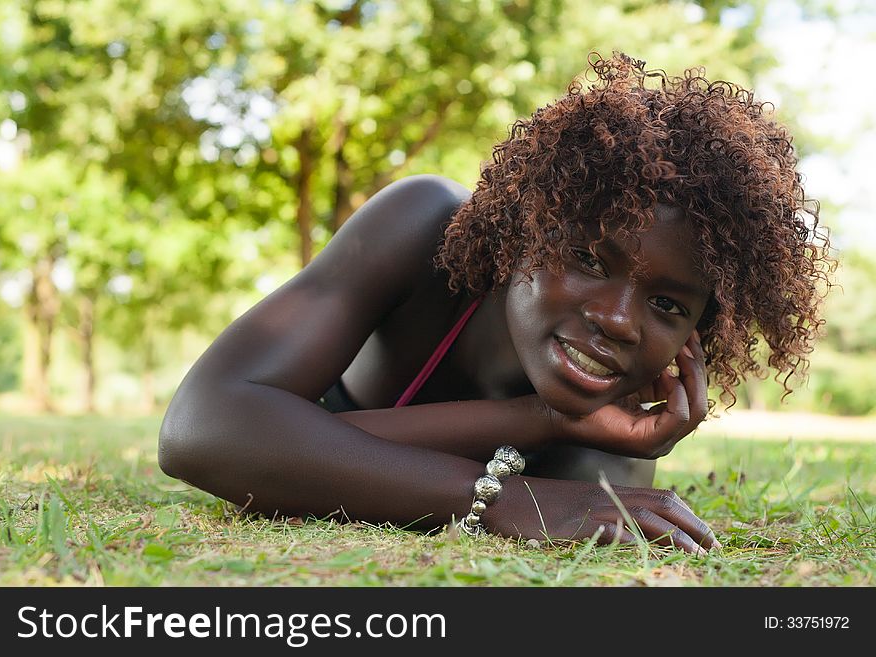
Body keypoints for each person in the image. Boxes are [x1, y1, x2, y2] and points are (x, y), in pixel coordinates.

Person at [158, 53, 831, 555]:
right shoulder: (419, 228)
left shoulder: (612, 460)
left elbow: (265, 447)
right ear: (524, 232)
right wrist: (513, 491)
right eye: (590, 259)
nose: (618, 319)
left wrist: (551, 426)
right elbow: (202, 429)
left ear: (696, 337)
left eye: (666, 303)